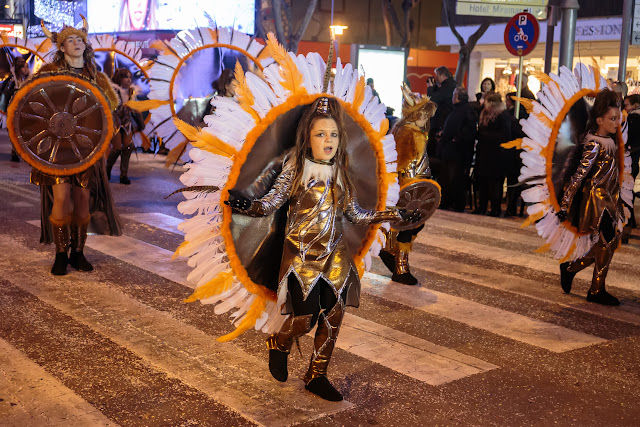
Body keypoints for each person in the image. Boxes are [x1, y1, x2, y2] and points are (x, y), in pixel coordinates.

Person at [225, 97, 419, 401]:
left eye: (333, 134)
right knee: (304, 318)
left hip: (336, 257)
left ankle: (317, 374)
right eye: (320, 134)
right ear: (308, 138)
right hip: (301, 256)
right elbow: (272, 202)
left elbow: (356, 214)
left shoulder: (342, 172)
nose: (328, 140)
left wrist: (394, 214)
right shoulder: (296, 167)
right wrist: (248, 205)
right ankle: (279, 342)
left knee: (333, 315)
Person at [24, 17, 121, 275]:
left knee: (81, 200)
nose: (76, 43)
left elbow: (110, 111)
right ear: (62, 47)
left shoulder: (96, 78)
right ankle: (60, 254)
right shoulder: (47, 74)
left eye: (80, 39)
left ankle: (78, 253)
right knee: (61, 197)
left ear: (85, 44)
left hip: (86, 151)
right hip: (56, 151)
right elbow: (30, 106)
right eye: (70, 40)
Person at [558, 89, 626, 306]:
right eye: (612, 119)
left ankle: (571, 269)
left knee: (610, 242)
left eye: (618, 118)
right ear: (599, 120)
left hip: (609, 199)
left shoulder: (610, 141)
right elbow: (579, 174)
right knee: (608, 241)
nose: (616, 123)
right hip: (597, 201)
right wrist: (565, 202)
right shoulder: (595, 144)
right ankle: (596, 289)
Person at [378, 86, 437, 285]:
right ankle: (400, 268)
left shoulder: (413, 130)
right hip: (407, 187)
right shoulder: (406, 132)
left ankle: (392, 255)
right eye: (423, 115)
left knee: (413, 225)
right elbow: (399, 161)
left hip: (416, 185)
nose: (426, 119)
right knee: (408, 226)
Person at [438, 87, 477, 212]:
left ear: (457, 97)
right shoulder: (457, 110)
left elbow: (469, 131)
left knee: (455, 178)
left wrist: (456, 138)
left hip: (458, 152)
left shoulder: (466, 111)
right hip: (451, 150)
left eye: (454, 95)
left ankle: (455, 203)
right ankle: (448, 201)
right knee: (449, 177)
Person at [473, 92, 512, 217]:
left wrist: (485, 135)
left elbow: (505, 135)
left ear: (492, 103)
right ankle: (482, 206)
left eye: (486, 101)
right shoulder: (484, 114)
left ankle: (495, 208)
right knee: (483, 180)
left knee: (495, 182)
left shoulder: (503, 115)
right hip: (484, 153)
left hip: (496, 155)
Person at [107, 68, 144, 184]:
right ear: (120, 78)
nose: (129, 80)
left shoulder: (132, 91)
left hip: (127, 123)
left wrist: (140, 123)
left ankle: (124, 175)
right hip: (115, 122)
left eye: (130, 77)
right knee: (117, 148)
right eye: (126, 77)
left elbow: (136, 108)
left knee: (128, 148)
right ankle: (107, 169)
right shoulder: (113, 90)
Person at [1, 56, 30, 162]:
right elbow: (5, 94)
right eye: (23, 66)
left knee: (25, 131)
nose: (25, 69)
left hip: (26, 109)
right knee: (14, 130)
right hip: (14, 109)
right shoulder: (12, 80)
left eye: (26, 66)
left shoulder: (30, 80)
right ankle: (15, 151)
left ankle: (21, 151)